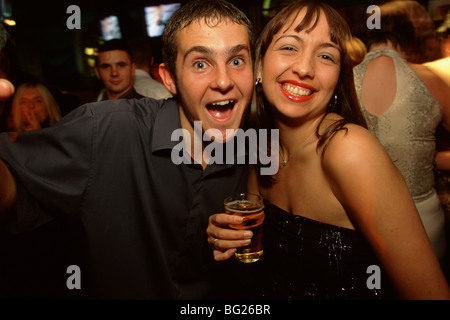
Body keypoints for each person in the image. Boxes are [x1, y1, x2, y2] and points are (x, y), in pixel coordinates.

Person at [0, 0, 254, 299]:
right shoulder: (107, 129)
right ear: (169, 78)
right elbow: (13, 192)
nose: (223, 81)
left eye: (237, 61)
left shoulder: (256, 147)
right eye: (200, 63)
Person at [207, 0, 450, 299]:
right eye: (289, 47)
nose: (304, 68)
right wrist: (230, 237)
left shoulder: (349, 150)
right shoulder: (261, 146)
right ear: (259, 65)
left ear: (337, 80)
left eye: (325, 56)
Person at [353, 1, 450, 263]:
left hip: (361, 221)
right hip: (423, 218)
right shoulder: (430, 79)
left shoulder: (344, 81)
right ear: (410, 34)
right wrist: (430, 159)